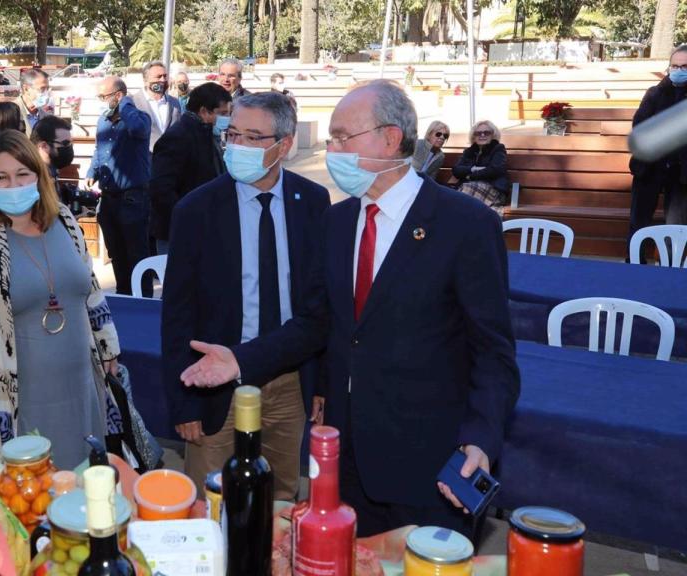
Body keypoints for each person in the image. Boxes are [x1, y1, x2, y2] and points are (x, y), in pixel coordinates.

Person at [179, 80, 520, 539]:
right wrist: (241, 360)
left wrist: (481, 437)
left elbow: (494, 351)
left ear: (390, 138)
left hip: (429, 462)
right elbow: (317, 322)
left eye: (342, 137)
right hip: (344, 460)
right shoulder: (337, 222)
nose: (332, 149)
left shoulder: (466, 225)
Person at [163, 92, 330, 501]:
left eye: (252, 138)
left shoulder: (313, 202)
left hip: (289, 382)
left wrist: (320, 383)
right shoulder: (196, 209)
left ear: (284, 145)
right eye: (232, 134)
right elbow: (177, 315)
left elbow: (320, 305)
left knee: (281, 497)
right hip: (215, 385)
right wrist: (184, 405)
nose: (237, 146)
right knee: (211, 502)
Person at [0, 130, 120, 468]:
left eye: (23, 174)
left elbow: (89, 289)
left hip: (81, 386)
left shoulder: (64, 221)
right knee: (28, 497)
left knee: (82, 487)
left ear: (39, 177)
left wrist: (108, 348)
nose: (13, 184)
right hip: (17, 396)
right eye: (1, 177)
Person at [87, 76, 152, 296]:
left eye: (103, 96)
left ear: (118, 96)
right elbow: (100, 149)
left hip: (133, 198)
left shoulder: (138, 118)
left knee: (137, 255)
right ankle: (124, 296)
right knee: (117, 253)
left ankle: (142, 300)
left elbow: (139, 130)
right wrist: (92, 171)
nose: (100, 100)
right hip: (109, 197)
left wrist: (126, 104)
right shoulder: (103, 121)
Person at [150, 82, 231, 255]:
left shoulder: (206, 133)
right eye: (222, 113)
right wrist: (189, 218)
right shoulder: (178, 137)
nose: (227, 118)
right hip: (181, 232)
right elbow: (162, 189)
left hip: (204, 227)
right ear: (204, 111)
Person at [628, 44, 687, 260]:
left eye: (684, 66)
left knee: (676, 226)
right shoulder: (655, 93)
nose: (679, 70)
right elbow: (640, 127)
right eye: (675, 66)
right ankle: (635, 262)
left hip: (681, 173)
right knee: (638, 221)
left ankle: (671, 269)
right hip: (649, 167)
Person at [452, 120, 510, 216]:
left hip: (493, 189)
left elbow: (495, 170)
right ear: (473, 136)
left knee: (463, 194)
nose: (482, 135)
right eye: (478, 133)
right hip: (469, 189)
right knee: (465, 196)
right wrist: (472, 169)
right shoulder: (469, 152)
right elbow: (456, 170)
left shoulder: (498, 149)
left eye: (486, 132)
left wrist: (470, 176)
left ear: (493, 135)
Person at [132, 61, 182, 151]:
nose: (162, 80)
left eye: (165, 76)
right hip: (144, 161)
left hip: (170, 160)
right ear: (145, 81)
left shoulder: (174, 103)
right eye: (158, 77)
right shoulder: (133, 103)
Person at [30, 114, 77, 201]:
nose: (69, 147)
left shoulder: (50, 170)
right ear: (44, 146)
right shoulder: (32, 179)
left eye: (71, 143)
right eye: (66, 143)